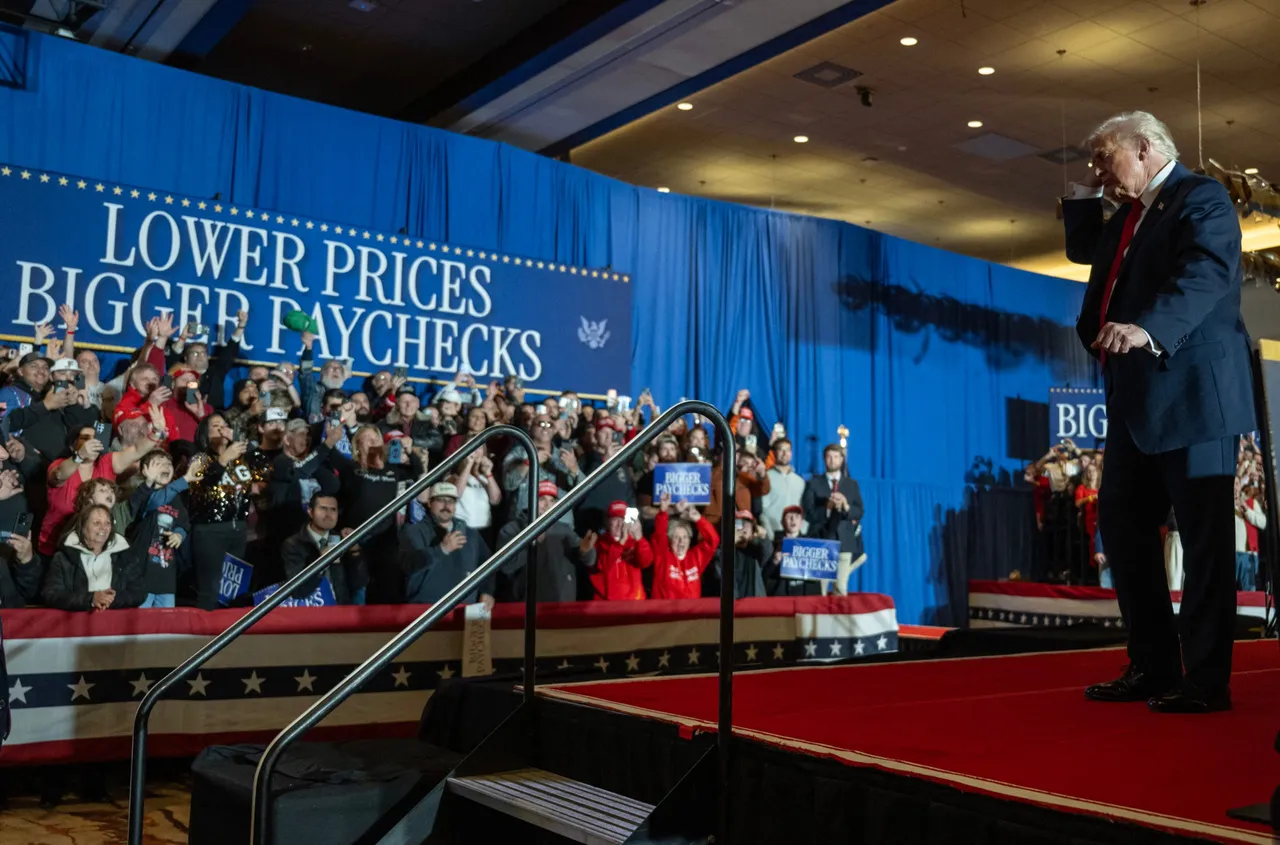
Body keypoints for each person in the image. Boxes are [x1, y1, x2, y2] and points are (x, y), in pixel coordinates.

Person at [1065, 111, 1255, 714]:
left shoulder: (1202, 197)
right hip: (1134, 398)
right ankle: (1150, 666)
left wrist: (1147, 329)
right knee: (1121, 528)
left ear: (1145, 149)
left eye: (1105, 158)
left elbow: (1206, 273)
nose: (1098, 171)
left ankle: (1204, 682)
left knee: (1203, 545)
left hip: (1193, 393)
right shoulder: (1127, 216)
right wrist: (1082, 195)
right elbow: (1084, 252)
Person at [497, 481, 596, 602]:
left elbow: (590, 560)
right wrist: (531, 542)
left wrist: (585, 551)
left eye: (552, 500)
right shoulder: (512, 529)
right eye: (542, 499)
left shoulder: (564, 530)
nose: (547, 505)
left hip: (562, 604)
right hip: (528, 607)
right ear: (530, 501)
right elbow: (506, 566)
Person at [400, 482, 495, 607]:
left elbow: (488, 564)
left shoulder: (470, 534)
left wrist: (487, 591)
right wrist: (442, 549)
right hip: (425, 610)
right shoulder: (414, 531)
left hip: (466, 608)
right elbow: (409, 564)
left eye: (451, 501)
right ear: (429, 503)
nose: (446, 505)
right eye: (440, 500)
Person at [42, 504, 145, 611]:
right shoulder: (63, 558)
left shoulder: (124, 555)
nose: (103, 528)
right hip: (77, 624)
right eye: (97, 523)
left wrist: (111, 599)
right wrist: (91, 599)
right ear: (82, 527)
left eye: (107, 523)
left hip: (116, 623)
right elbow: (51, 595)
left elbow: (139, 592)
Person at [801, 444, 865, 595]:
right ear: (824, 459)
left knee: (841, 589)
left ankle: (839, 618)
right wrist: (828, 508)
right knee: (819, 590)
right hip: (822, 541)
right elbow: (808, 512)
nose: (832, 460)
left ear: (842, 460)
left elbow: (859, 511)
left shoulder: (851, 484)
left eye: (836, 456)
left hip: (845, 542)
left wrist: (846, 507)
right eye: (829, 457)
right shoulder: (813, 483)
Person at [280, 493, 359, 604]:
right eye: (323, 509)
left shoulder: (341, 540)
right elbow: (298, 590)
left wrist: (355, 553)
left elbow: (358, 583)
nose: (328, 514)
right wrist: (320, 561)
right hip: (309, 613)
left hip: (340, 610)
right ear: (310, 512)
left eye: (333, 510)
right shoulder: (293, 544)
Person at [651, 493, 719, 600]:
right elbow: (659, 535)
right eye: (676, 537)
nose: (681, 541)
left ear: (689, 540)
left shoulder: (696, 558)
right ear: (670, 540)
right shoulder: (663, 556)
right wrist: (663, 512)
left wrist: (698, 519)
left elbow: (713, 540)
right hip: (665, 613)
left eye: (685, 537)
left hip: (690, 613)